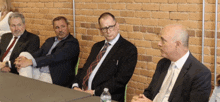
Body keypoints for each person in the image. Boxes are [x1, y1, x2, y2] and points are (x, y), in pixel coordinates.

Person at [131, 24, 211, 102]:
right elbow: (150, 92)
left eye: (163, 40)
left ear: (177, 44)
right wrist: (140, 98)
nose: (159, 44)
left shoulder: (200, 74)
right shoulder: (162, 63)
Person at [72, 12, 137, 102]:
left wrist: (94, 92)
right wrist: (75, 85)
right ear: (100, 30)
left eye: (111, 27)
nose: (108, 31)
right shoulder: (97, 46)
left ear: (117, 25)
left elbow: (120, 81)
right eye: (104, 28)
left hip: (104, 97)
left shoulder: (128, 49)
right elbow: (85, 69)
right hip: (82, 94)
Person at [15, 16, 79, 88]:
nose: (60, 30)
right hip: (39, 71)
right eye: (57, 27)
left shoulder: (72, 43)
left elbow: (54, 57)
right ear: (54, 29)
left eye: (63, 26)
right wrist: (22, 60)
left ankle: (25, 87)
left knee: (31, 75)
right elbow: (39, 52)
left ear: (68, 27)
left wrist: (31, 62)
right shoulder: (50, 40)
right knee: (24, 54)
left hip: (53, 76)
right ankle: (26, 87)